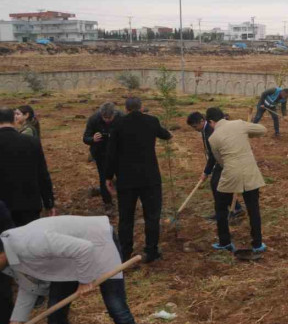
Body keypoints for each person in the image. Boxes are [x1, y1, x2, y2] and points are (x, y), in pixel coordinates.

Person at [0, 216, 137, 324]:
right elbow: (28, 286)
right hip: (68, 259)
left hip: (98, 242)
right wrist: (17, 320)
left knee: (116, 307)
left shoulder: (29, 242)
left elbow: (84, 248)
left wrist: (84, 282)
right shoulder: (11, 255)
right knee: (56, 314)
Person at [105, 97, 172, 263]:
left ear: (126, 109)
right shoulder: (152, 121)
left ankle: (125, 253)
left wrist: (108, 176)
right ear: (142, 107)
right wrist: (170, 134)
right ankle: (151, 251)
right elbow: (165, 135)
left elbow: (111, 153)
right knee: (152, 216)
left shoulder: (118, 124)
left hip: (126, 180)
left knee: (126, 218)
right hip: (150, 179)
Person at [207, 107, 268, 253]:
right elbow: (262, 130)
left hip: (230, 173)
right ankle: (257, 244)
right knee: (253, 208)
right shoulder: (239, 124)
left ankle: (225, 242)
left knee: (220, 208)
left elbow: (220, 161)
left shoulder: (212, 138)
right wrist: (247, 133)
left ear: (211, 121)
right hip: (250, 172)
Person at [0, 107, 55, 227]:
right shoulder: (32, 142)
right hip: (28, 203)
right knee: (28, 241)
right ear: (14, 120)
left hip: (2, 204)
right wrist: (49, 202)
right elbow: (42, 174)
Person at [186, 112, 242, 220]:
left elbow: (213, 155)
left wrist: (206, 172)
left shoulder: (210, 131)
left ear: (202, 121)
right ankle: (232, 208)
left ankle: (227, 211)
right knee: (217, 184)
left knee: (217, 184)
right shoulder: (204, 129)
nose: (195, 129)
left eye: (195, 126)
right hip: (219, 160)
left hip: (224, 160)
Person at [83, 102, 122, 212]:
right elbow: (85, 137)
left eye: (110, 117)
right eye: (105, 118)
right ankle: (108, 202)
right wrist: (93, 139)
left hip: (119, 153)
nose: (107, 120)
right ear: (101, 114)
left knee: (122, 176)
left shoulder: (121, 117)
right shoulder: (94, 119)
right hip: (101, 153)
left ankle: (123, 199)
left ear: (114, 114)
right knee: (104, 178)